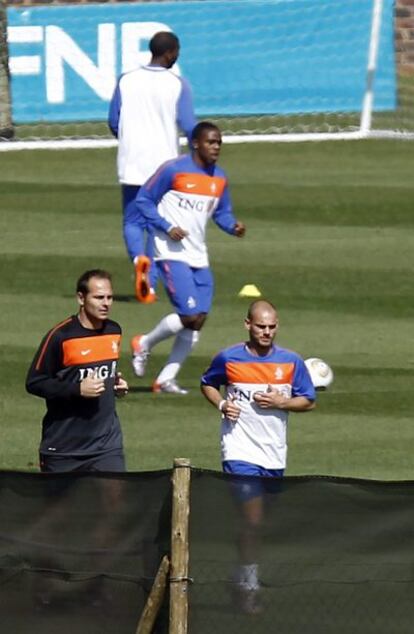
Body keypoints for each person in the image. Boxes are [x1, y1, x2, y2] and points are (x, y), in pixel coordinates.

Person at [200, 300, 316, 614]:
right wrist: (223, 405)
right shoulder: (229, 357)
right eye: (261, 326)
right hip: (239, 450)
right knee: (253, 519)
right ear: (247, 324)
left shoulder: (291, 361)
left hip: (274, 454)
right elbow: (207, 384)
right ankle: (249, 587)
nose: (266, 332)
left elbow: (308, 401)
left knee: (257, 524)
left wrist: (282, 401)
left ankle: (239, 576)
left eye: (272, 327)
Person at [129, 121, 246, 394]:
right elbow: (144, 199)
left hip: (198, 254)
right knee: (190, 314)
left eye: (219, 142)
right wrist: (167, 227)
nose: (216, 147)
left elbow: (221, 213)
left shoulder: (219, 178)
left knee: (200, 318)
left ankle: (165, 378)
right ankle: (144, 343)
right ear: (196, 143)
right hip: (170, 251)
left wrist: (233, 226)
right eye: (211, 142)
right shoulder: (174, 170)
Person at [108, 31, 197, 304]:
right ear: (170, 52)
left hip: (132, 160)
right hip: (165, 166)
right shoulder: (177, 84)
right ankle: (152, 283)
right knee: (158, 226)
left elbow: (113, 121)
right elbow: (190, 125)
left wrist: (129, 141)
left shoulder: (126, 80)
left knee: (133, 221)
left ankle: (139, 261)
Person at [26, 269, 129, 472]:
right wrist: (77, 389)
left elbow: (103, 371)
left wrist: (115, 386)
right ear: (81, 298)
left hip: (106, 446)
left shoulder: (114, 331)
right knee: (63, 505)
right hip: (64, 449)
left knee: (116, 503)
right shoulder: (61, 336)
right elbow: (35, 382)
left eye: (110, 297)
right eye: (99, 297)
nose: (106, 303)